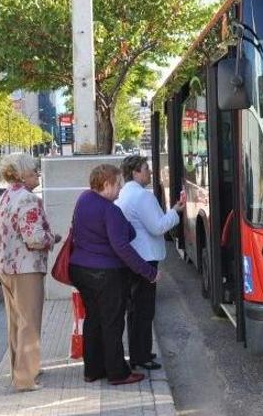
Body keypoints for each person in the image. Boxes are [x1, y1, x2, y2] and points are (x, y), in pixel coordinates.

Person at [68, 164, 159, 385]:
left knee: (94, 320)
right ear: (106, 184)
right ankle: (118, 372)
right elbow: (124, 245)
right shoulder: (110, 210)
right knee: (112, 323)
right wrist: (148, 272)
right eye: (117, 185)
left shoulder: (84, 199)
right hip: (106, 274)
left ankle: (93, 370)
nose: (119, 190)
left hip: (80, 269)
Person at [0, 153, 60, 392]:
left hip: (4, 266)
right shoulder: (28, 199)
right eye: (33, 170)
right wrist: (52, 238)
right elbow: (35, 238)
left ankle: (19, 368)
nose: (37, 174)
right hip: (26, 268)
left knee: (16, 321)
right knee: (30, 321)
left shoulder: (4, 197)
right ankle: (26, 377)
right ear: (22, 174)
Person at [115, 155, 185, 371]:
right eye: (146, 168)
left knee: (134, 310)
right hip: (146, 259)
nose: (150, 172)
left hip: (131, 259)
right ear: (135, 172)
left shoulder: (124, 193)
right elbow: (158, 227)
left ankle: (139, 351)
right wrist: (176, 211)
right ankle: (142, 356)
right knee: (144, 310)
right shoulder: (142, 197)